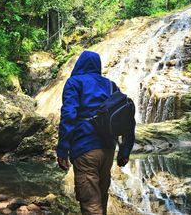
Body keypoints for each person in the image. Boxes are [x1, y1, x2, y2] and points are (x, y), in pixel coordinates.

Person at [56, 50, 135, 215]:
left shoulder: (74, 82)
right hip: (108, 150)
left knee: (91, 203)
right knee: (101, 199)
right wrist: (125, 150)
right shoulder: (110, 85)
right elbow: (127, 118)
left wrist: (63, 149)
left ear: (79, 64)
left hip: (85, 149)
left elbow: (69, 116)